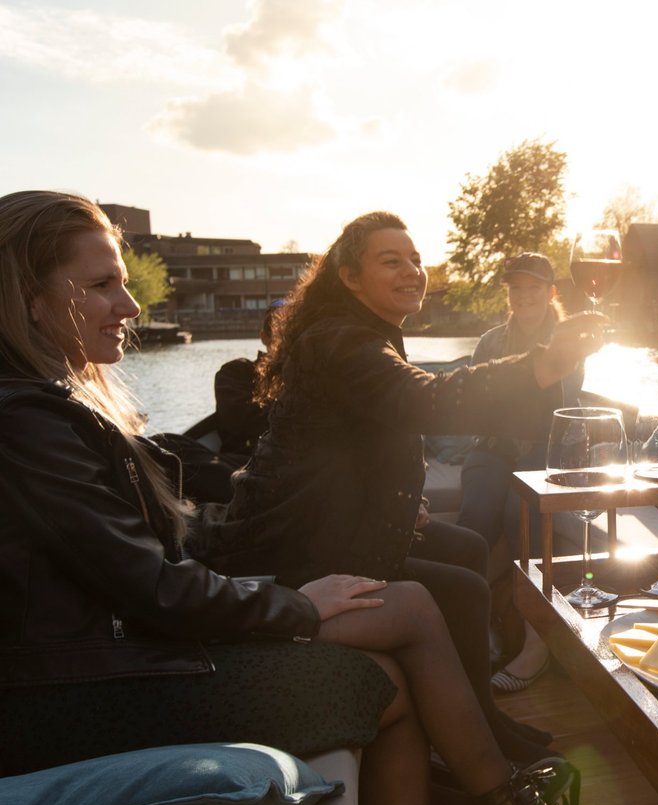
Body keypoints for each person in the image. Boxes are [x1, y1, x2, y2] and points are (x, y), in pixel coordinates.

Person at [0, 191, 629, 805]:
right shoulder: (29, 424)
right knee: (415, 616)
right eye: (101, 285)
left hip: (119, 651)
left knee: (411, 639)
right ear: (27, 297)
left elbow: (146, 555)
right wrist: (293, 604)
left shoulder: (52, 403)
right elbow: (150, 587)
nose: (131, 304)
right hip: (84, 691)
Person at [195, 211, 609, 763]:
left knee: (465, 550)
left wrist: (398, 497)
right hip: (301, 545)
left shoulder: (364, 334)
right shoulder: (341, 341)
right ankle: (479, 742)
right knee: (460, 581)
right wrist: (547, 362)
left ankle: (482, 714)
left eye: (415, 258)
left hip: (332, 521)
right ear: (348, 276)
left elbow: (360, 441)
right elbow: (428, 401)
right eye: (391, 261)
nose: (413, 270)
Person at [457, 252, 583, 692]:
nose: (524, 295)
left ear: (551, 293)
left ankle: (537, 645)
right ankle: (481, 623)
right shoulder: (490, 341)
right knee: (476, 519)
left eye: (533, 287)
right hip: (493, 449)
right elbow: (476, 405)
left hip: (546, 452)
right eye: (516, 288)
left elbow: (565, 406)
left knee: (521, 518)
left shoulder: (568, 340)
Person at [213, 298, 287, 457]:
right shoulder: (235, 373)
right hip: (245, 464)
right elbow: (241, 422)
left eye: (293, 333)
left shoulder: (314, 375)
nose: (287, 342)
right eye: (280, 334)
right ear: (264, 337)